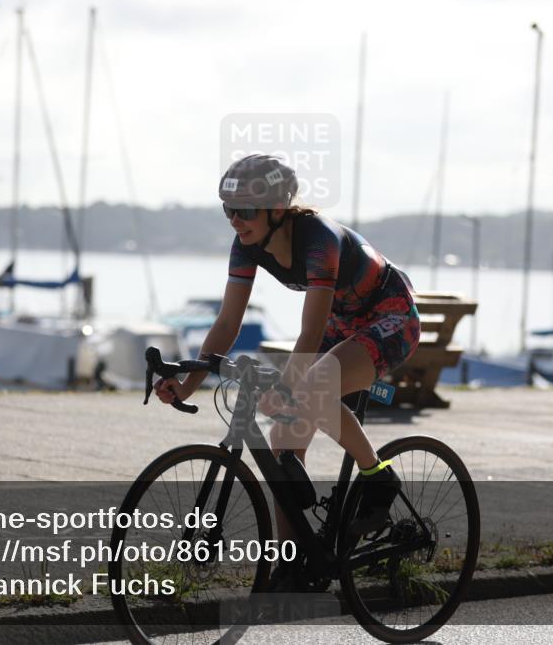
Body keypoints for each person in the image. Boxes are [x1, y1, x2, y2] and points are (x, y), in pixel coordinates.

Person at [153, 154, 421, 586]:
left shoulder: (318, 241)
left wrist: (288, 388)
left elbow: (311, 330)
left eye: (244, 211)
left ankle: (377, 478)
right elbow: (226, 324)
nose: (235, 221)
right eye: (228, 210)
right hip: (343, 321)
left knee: (311, 387)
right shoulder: (246, 245)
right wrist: (187, 385)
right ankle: (293, 560)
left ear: (278, 209)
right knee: (282, 438)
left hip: (389, 314)